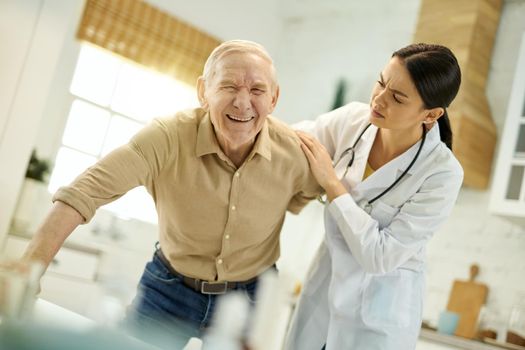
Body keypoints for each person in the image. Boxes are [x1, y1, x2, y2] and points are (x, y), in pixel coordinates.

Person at [11, 40, 320, 347]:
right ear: (203, 92)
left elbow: (307, 195)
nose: (242, 102)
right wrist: (27, 273)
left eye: (257, 90)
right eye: (228, 87)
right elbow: (85, 192)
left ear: (274, 98)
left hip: (249, 298)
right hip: (168, 288)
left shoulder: (293, 153)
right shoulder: (168, 137)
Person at [285, 43, 464, 350]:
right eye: (381, 82)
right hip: (323, 296)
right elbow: (291, 140)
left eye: (397, 97)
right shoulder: (354, 121)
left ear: (431, 114)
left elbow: (380, 256)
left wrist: (332, 183)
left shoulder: (442, 173)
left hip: (377, 322)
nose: (379, 99)